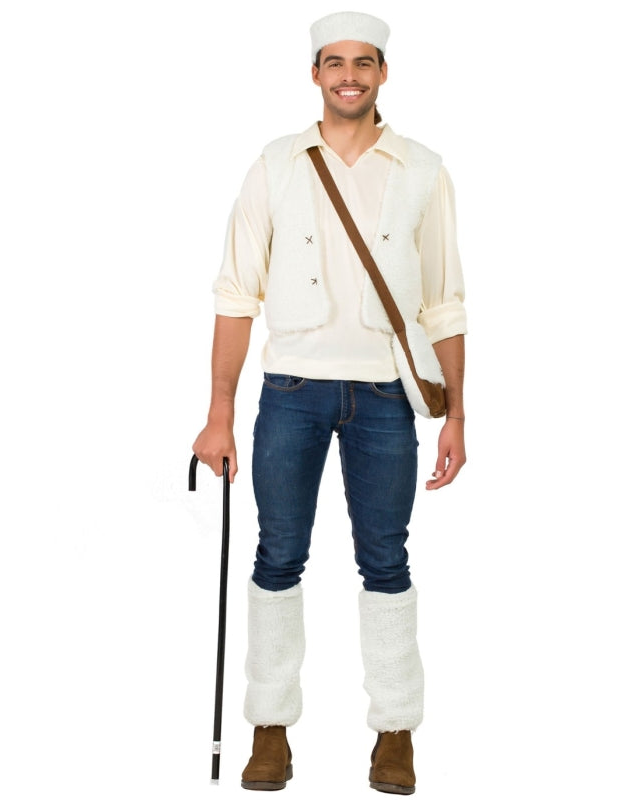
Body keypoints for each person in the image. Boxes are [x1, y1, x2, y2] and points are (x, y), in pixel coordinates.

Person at [192, 10, 467, 794]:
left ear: (383, 73)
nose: (349, 76)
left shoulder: (424, 170)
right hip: (291, 393)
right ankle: (269, 727)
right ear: (315, 74)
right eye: (335, 63)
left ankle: (395, 733)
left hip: (386, 396)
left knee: (386, 560)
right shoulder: (275, 165)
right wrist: (219, 413)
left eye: (363, 62)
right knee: (278, 555)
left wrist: (457, 414)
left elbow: (445, 302)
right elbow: (236, 293)